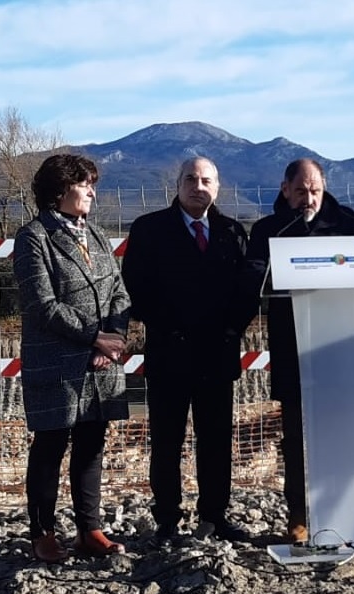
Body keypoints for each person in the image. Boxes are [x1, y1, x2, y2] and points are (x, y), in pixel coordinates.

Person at [121, 157, 260, 543]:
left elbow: (247, 290)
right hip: (170, 352)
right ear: (177, 184)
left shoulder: (233, 232)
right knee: (167, 441)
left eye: (206, 180)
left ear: (217, 187)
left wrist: (232, 329)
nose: (199, 186)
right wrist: (171, 328)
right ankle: (167, 518)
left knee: (216, 440)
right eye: (191, 179)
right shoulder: (149, 230)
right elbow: (136, 286)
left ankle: (215, 515)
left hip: (218, 353)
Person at [14, 153, 133, 562]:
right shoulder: (33, 237)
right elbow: (42, 305)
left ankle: (90, 530)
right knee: (50, 445)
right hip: (59, 364)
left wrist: (113, 337)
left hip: (101, 362)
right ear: (60, 188)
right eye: (85, 184)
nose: (91, 192)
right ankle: (43, 533)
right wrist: (94, 339)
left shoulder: (97, 235)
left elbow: (120, 291)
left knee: (93, 444)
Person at [245, 158, 354, 543]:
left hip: (338, 342)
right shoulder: (268, 229)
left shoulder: (347, 225)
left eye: (315, 190)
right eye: (301, 191)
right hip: (292, 344)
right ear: (285, 190)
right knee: (295, 435)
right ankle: (298, 515)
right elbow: (257, 276)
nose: (309, 198)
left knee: (339, 429)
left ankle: (343, 510)